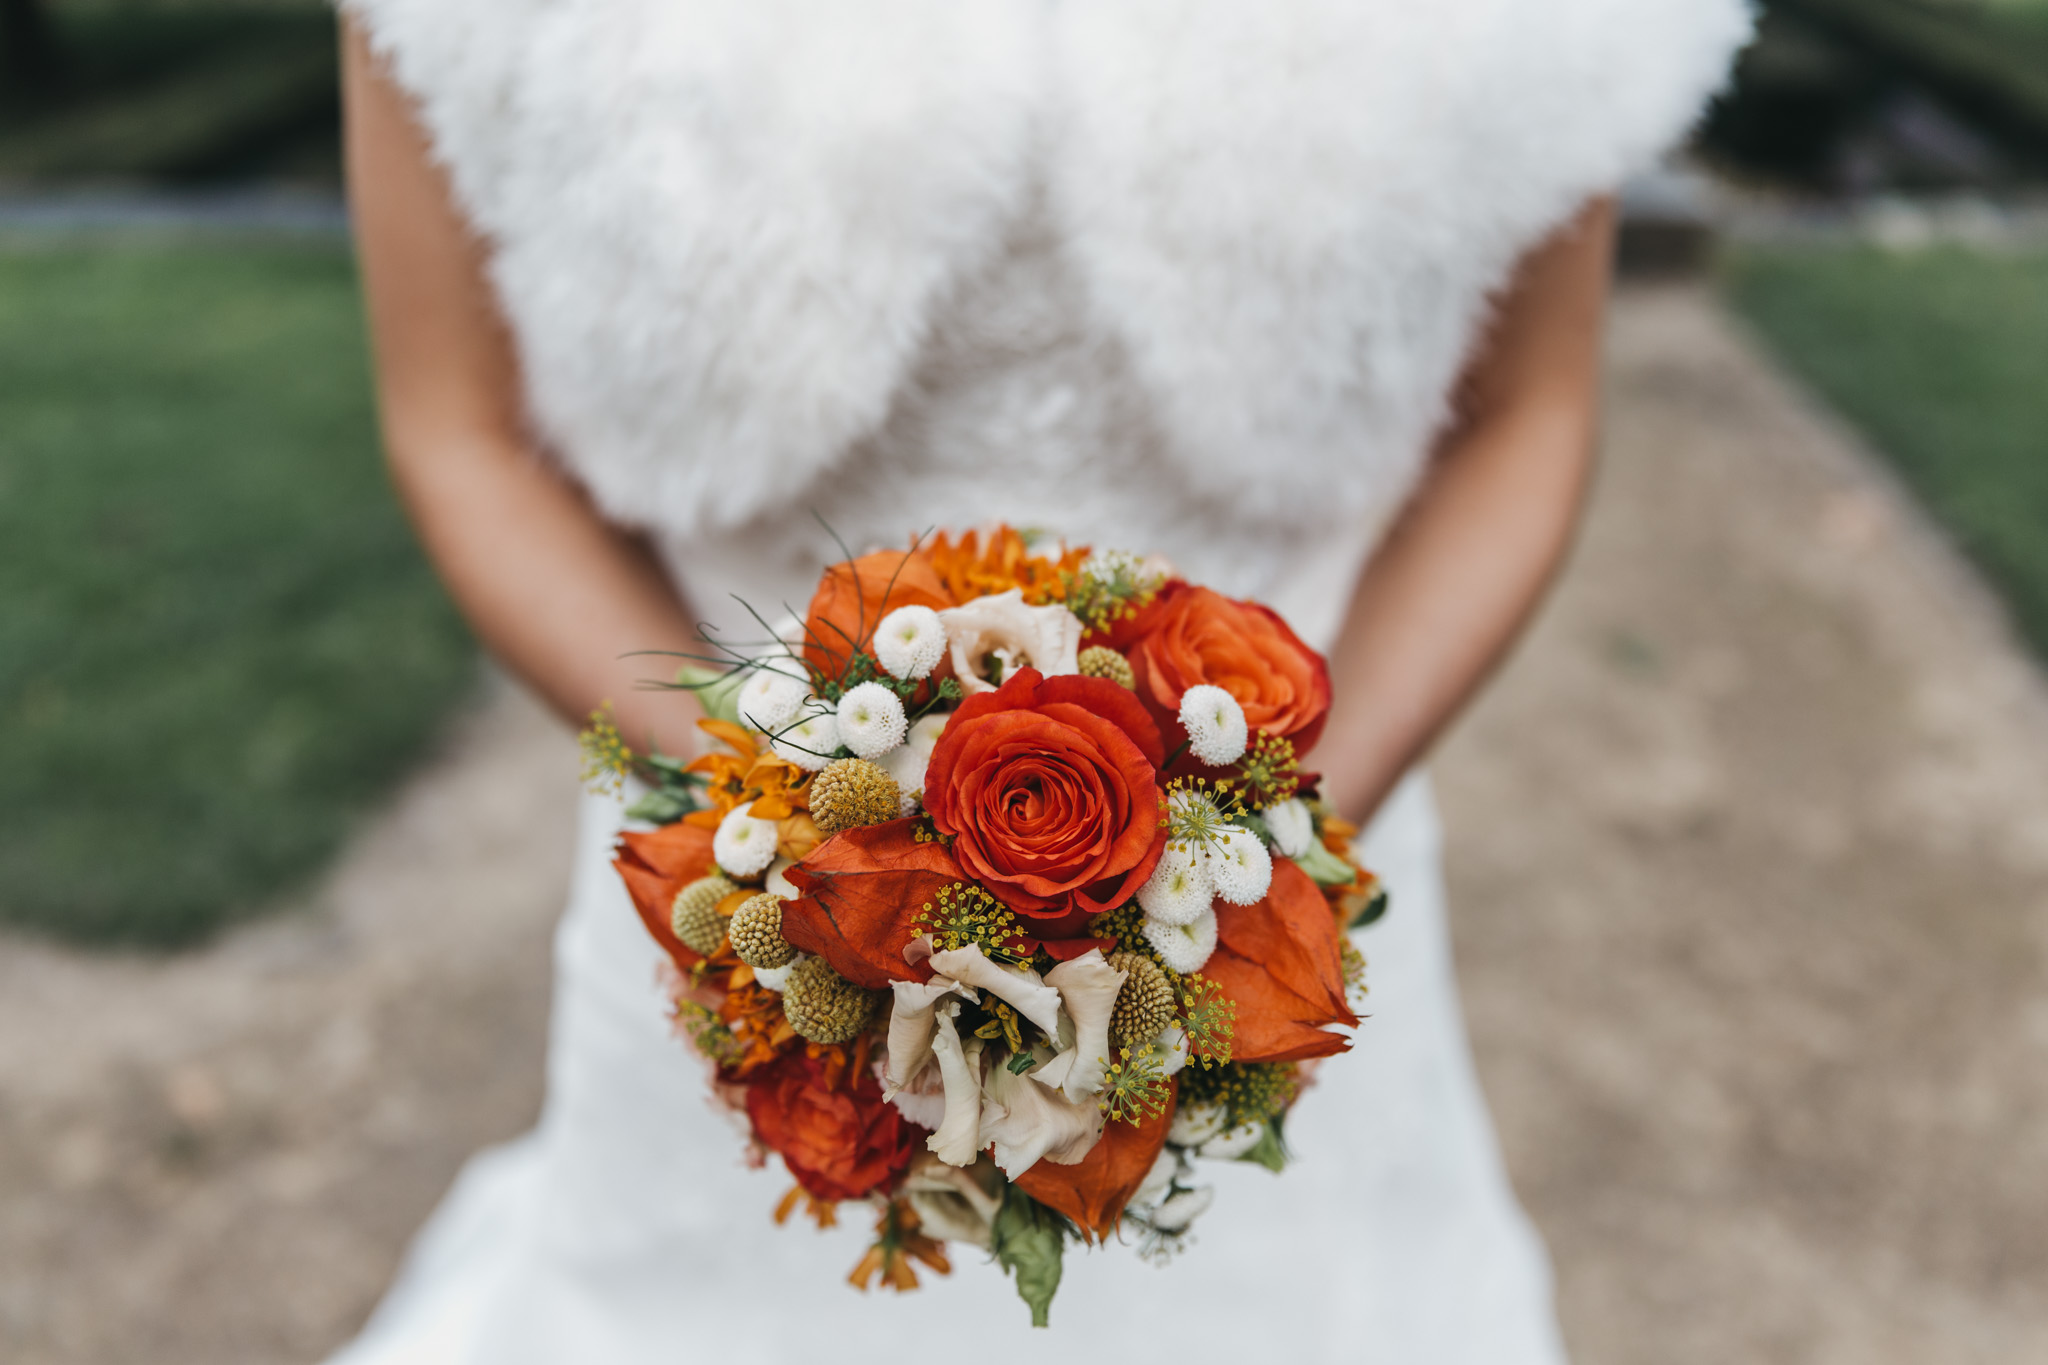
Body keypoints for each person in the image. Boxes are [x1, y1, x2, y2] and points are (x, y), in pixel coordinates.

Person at [326, 3, 1747, 1361]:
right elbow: (461, 431)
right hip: (746, 912)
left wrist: (1265, 862)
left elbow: (1526, 417)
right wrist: (779, 850)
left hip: (1296, 863)